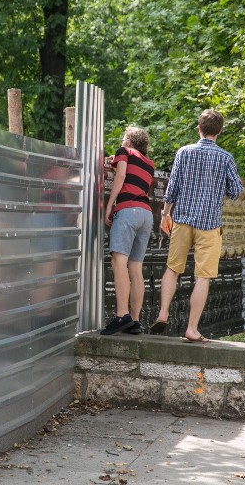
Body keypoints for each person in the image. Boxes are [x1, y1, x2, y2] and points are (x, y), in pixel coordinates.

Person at [151, 109, 243, 342]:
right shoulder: (226, 158)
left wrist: (165, 215)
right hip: (210, 224)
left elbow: (171, 189)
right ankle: (191, 328)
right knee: (203, 276)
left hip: (182, 220)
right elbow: (235, 192)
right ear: (219, 131)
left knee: (173, 268)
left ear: (198, 128)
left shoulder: (184, 152)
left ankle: (163, 313)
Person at [100, 127, 155, 335]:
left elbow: (122, 175)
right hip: (146, 214)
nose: (122, 142)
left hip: (128, 211)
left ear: (129, 141)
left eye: (124, 139)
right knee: (136, 267)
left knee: (118, 262)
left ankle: (121, 315)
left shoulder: (124, 152)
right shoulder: (149, 164)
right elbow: (130, 174)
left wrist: (109, 205)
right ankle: (135, 320)